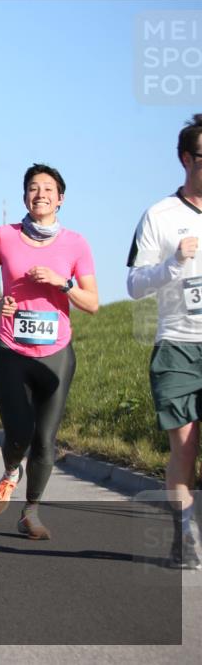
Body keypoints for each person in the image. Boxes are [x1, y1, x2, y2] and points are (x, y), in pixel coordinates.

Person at [0, 164, 97, 540]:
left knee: (45, 439)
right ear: (24, 197)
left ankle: (31, 513)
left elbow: (92, 302)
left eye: (48, 188)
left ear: (61, 199)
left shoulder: (76, 243)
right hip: (11, 348)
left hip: (56, 353)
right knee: (18, 432)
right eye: (33, 188)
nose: (40, 193)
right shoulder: (3, 236)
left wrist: (63, 284)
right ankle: (12, 471)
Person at [127, 114, 202, 568]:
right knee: (185, 447)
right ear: (185, 159)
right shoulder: (160, 215)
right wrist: (173, 263)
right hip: (178, 345)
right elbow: (134, 285)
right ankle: (184, 534)